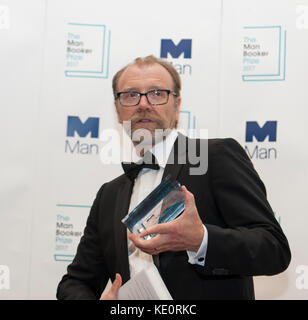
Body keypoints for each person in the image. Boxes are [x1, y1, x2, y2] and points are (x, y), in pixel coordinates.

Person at [56, 55, 291, 300]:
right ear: (118, 110)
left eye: (157, 93)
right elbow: (76, 282)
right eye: (130, 95)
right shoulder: (109, 194)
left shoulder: (213, 157)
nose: (143, 104)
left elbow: (273, 249)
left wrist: (201, 239)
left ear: (177, 105)